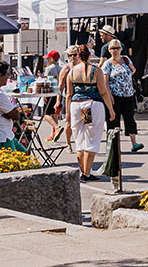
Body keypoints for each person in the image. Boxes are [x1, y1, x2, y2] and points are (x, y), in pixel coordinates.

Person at [59, 44, 114, 182]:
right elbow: (103, 92)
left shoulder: (71, 72)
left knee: (79, 139)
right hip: (91, 104)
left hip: (76, 105)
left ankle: (83, 170)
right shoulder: (96, 70)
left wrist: (67, 114)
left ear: (77, 56)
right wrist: (111, 109)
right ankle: (87, 172)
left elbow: (69, 94)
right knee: (91, 139)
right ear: (90, 55)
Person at [102, 39, 141, 154]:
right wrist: (109, 95)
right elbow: (105, 82)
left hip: (128, 94)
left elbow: (133, 70)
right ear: (109, 50)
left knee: (130, 118)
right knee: (113, 121)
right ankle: (114, 146)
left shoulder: (125, 59)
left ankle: (134, 143)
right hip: (115, 95)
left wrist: (128, 75)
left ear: (121, 49)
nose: (115, 51)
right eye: (113, 48)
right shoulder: (107, 64)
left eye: (117, 48)